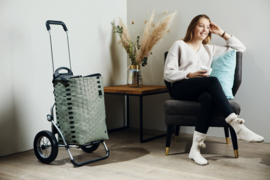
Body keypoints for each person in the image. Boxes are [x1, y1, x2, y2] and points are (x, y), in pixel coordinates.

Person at [164, 14, 264, 166]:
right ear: (193, 27)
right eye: (200, 25)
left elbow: (240, 48)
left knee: (208, 98)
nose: (204, 29)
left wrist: (221, 33)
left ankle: (195, 150)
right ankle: (237, 126)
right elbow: (168, 74)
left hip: (200, 89)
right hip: (180, 87)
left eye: (207, 27)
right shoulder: (179, 45)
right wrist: (189, 74)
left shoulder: (209, 49)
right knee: (212, 80)